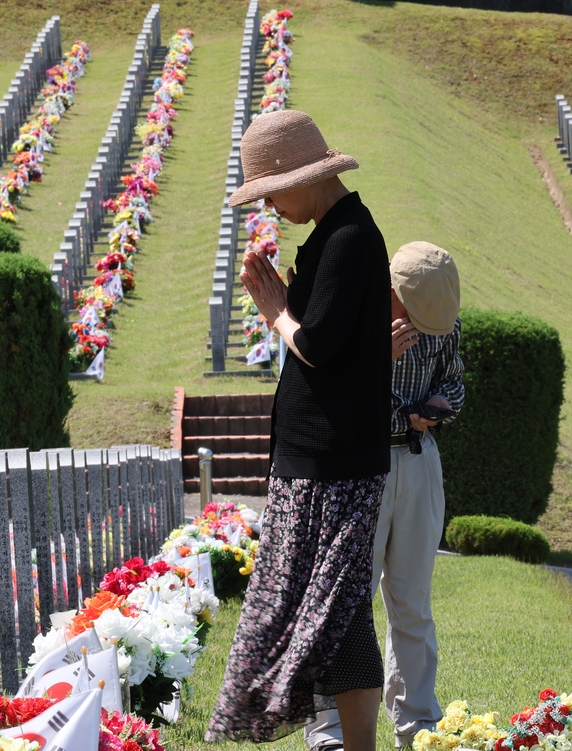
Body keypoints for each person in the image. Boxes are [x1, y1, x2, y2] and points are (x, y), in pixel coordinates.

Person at [204, 109, 392, 751]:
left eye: (271, 193)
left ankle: (350, 739)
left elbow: (316, 343)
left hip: (333, 463)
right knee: (335, 613)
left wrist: (276, 311)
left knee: (331, 611)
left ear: (303, 177)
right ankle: (344, 737)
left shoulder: (349, 237)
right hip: (317, 458)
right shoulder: (335, 233)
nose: (271, 208)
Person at [304, 242, 464, 751]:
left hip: (418, 463)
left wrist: (439, 404)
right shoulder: (351, 315)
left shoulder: (444, 318)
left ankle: (418, 725)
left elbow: (455, 382)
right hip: (359, 465)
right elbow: (316, 389)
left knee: (413, 604)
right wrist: (374, 355)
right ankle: (328, 728)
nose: (422, 324)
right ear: (392, 290)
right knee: (346, 606)